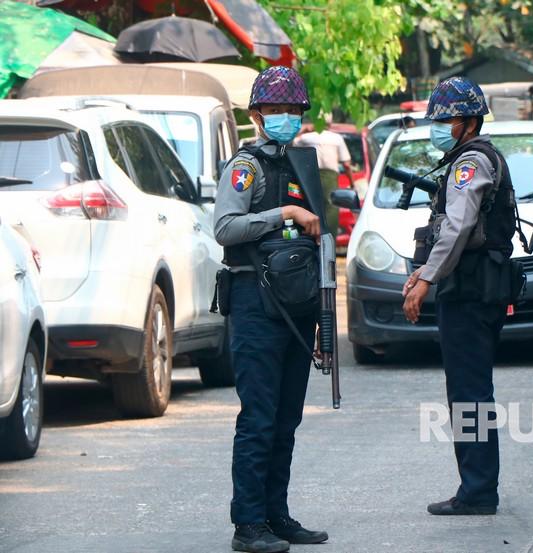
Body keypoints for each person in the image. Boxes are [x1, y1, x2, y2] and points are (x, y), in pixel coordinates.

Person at [213, 66, 328, 552]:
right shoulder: (247, 167)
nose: (285, 118)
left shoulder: (300, 162)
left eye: (293, 110)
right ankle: (248, 525)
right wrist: (283, 214)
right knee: (259, 417)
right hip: (254, 302)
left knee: (287, 418)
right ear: (256, 115)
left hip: (297, 303)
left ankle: (276, 515)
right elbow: (225, 228)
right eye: (275, 110)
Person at [402, 76, 516, 515]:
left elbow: (458, 227)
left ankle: (478, 491)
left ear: (469, 122)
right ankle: (478, 486)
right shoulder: (468, 158)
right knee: (470, 391)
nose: (438, 127)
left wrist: (428, 278)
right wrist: (423, 274)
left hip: (470, 291)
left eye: (445, 119)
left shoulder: (471, 162)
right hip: (471, 287)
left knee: (469, 394)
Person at [294, 117, 354, 235]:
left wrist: (304, 130)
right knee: (331, 206)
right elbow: (347, 164)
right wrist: (352, 182)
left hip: (309, 175)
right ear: (329, 124)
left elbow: (293, 143)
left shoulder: (306, 138)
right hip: (330, 176)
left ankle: (310, 236)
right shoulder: (336, 138)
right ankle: (329, 237)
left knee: (310, 205)